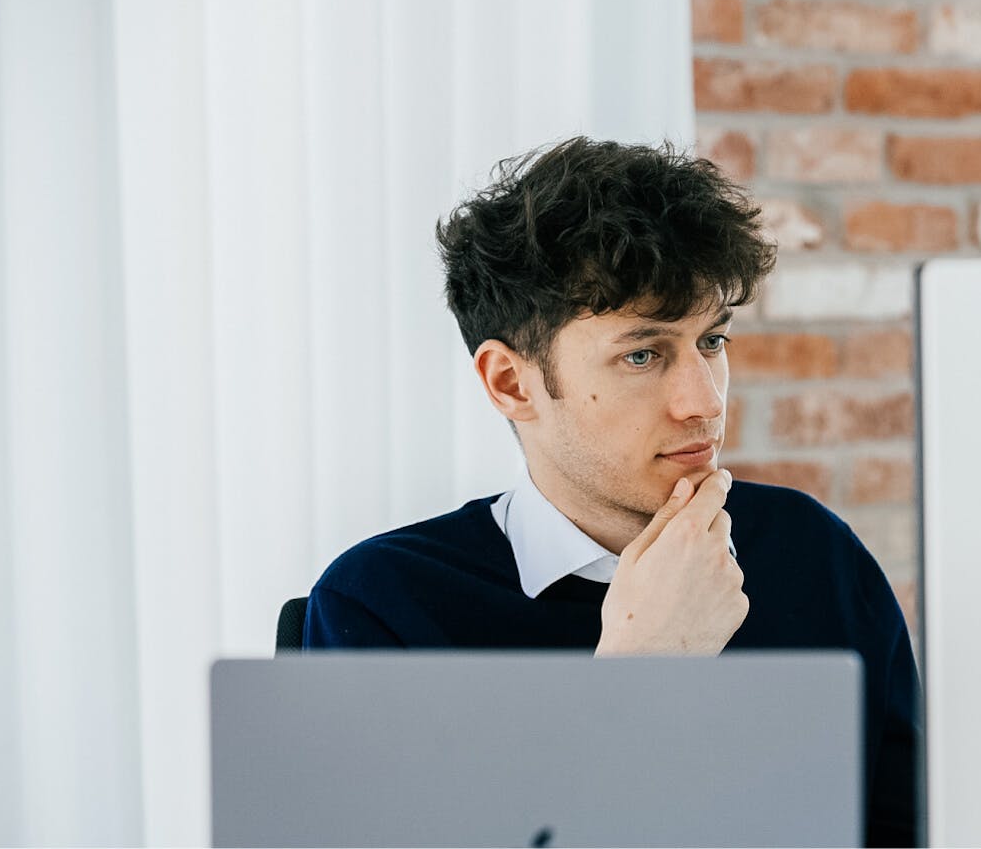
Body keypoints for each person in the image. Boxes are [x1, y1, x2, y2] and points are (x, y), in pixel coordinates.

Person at [303, 136, 924, 847]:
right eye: (642, 354)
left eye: (712, 342)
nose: (703, 401)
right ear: (511, 382)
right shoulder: (385, 606)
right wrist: (644, 674)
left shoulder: (813, 555)